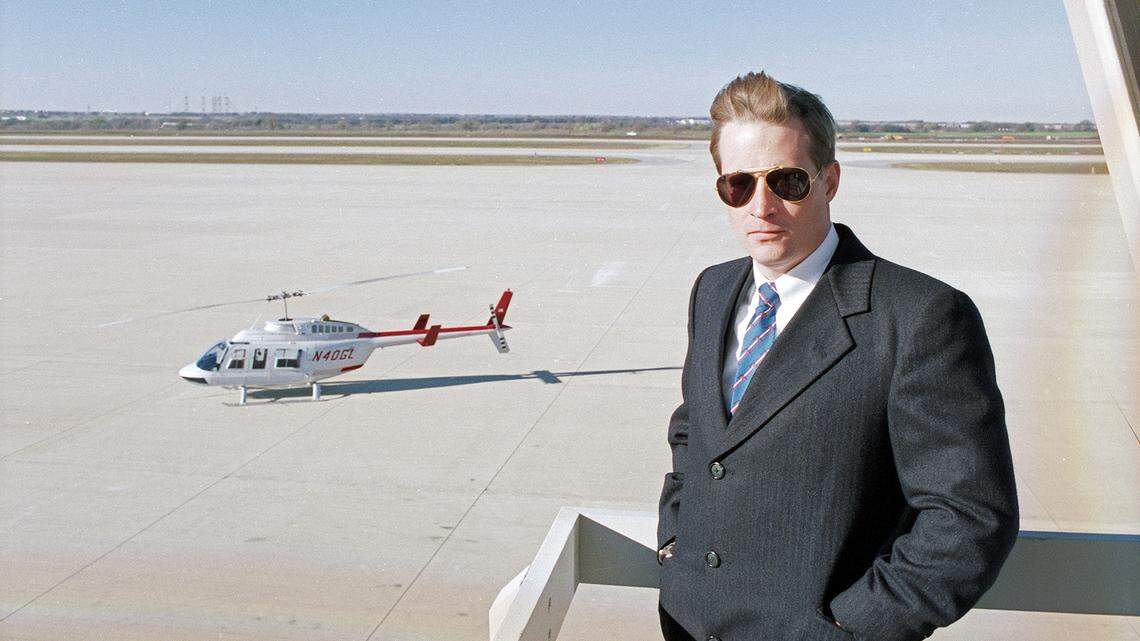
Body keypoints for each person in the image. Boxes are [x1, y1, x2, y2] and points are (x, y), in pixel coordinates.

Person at [656, 71, 1019, 641]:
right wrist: (675, 541)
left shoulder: (920, 316)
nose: (762, 206)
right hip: (686, 621)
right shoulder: (713, 290)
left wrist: (850, 626)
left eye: (787, 181)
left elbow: (969, 518)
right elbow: (695, 435)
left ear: (829, 180)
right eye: (738, 185)